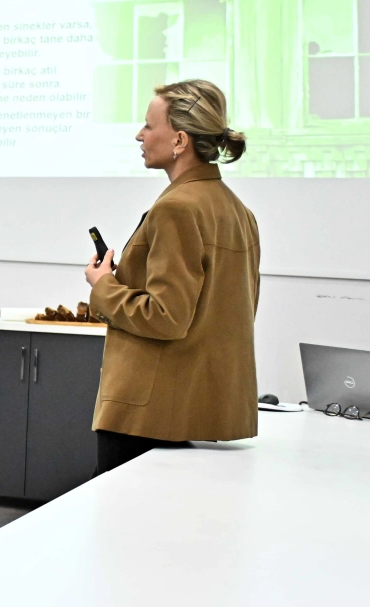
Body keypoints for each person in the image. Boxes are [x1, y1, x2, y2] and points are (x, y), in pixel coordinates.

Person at [84, 79, 260, 474]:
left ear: (180, 140)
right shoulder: (239, 213)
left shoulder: (176, 209)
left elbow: (166, 316)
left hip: (149, 417)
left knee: (123, 514)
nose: (139, 135)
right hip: (204, 412)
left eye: (149, 126)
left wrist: (103, 285)